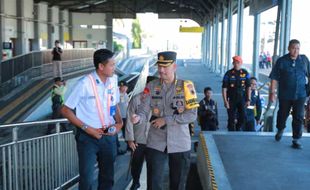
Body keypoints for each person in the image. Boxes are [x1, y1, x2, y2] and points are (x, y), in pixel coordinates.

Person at [131, 51, 199, 190]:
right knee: (153, 183)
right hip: (156, 141)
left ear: (174, 67)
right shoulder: (151, 86)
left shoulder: (186, 86)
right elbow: (144, 110)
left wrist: (167, 120)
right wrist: (138, 118)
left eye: (165, 67)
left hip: (180, 142)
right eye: (159, 66)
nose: (161, 70)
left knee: (177, 184)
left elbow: (191, 115)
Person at [60, 49, 123, 189]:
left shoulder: (113, 80)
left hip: (108, 135)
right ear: (101, 66)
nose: (115, 67)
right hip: (88, 138)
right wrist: (88, 129)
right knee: (87, 178)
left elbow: (115, 103)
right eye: (112, 65)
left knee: (108, 177)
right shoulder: (84, 83)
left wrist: (120, 122)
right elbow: (65, 110)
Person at [269, 39, 310, 149]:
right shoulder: (281, 61)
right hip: (285, 95)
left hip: (301, 94)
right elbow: (274, 78)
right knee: (282, 114)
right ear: (288, 48)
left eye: (297, 48)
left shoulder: (304, 60)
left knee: (299, 116)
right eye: (293, 48)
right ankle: (280, 128)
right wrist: (272, 93)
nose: (296, 51)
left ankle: (296, 139)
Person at [125, 76, 157, 190]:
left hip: (154, 140)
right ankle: (136, 182)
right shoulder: (136, 99)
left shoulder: (160, 101)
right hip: (138, 139)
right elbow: (129, 119)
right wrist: (130, 139)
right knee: (136, 163)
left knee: (153, 166)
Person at [222, 55, 251, 131]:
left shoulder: (245, 73)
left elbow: (248, 87)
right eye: (234, 62)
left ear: (241, 63)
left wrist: (248, 99)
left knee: (243, 116)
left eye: (238, 62)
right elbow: (224, 88)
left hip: (242, 98)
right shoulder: (228, 74)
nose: (236, 64)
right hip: (231, 98)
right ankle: (231, 132)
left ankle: (238, 128)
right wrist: (225, 101)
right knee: (231, 118)